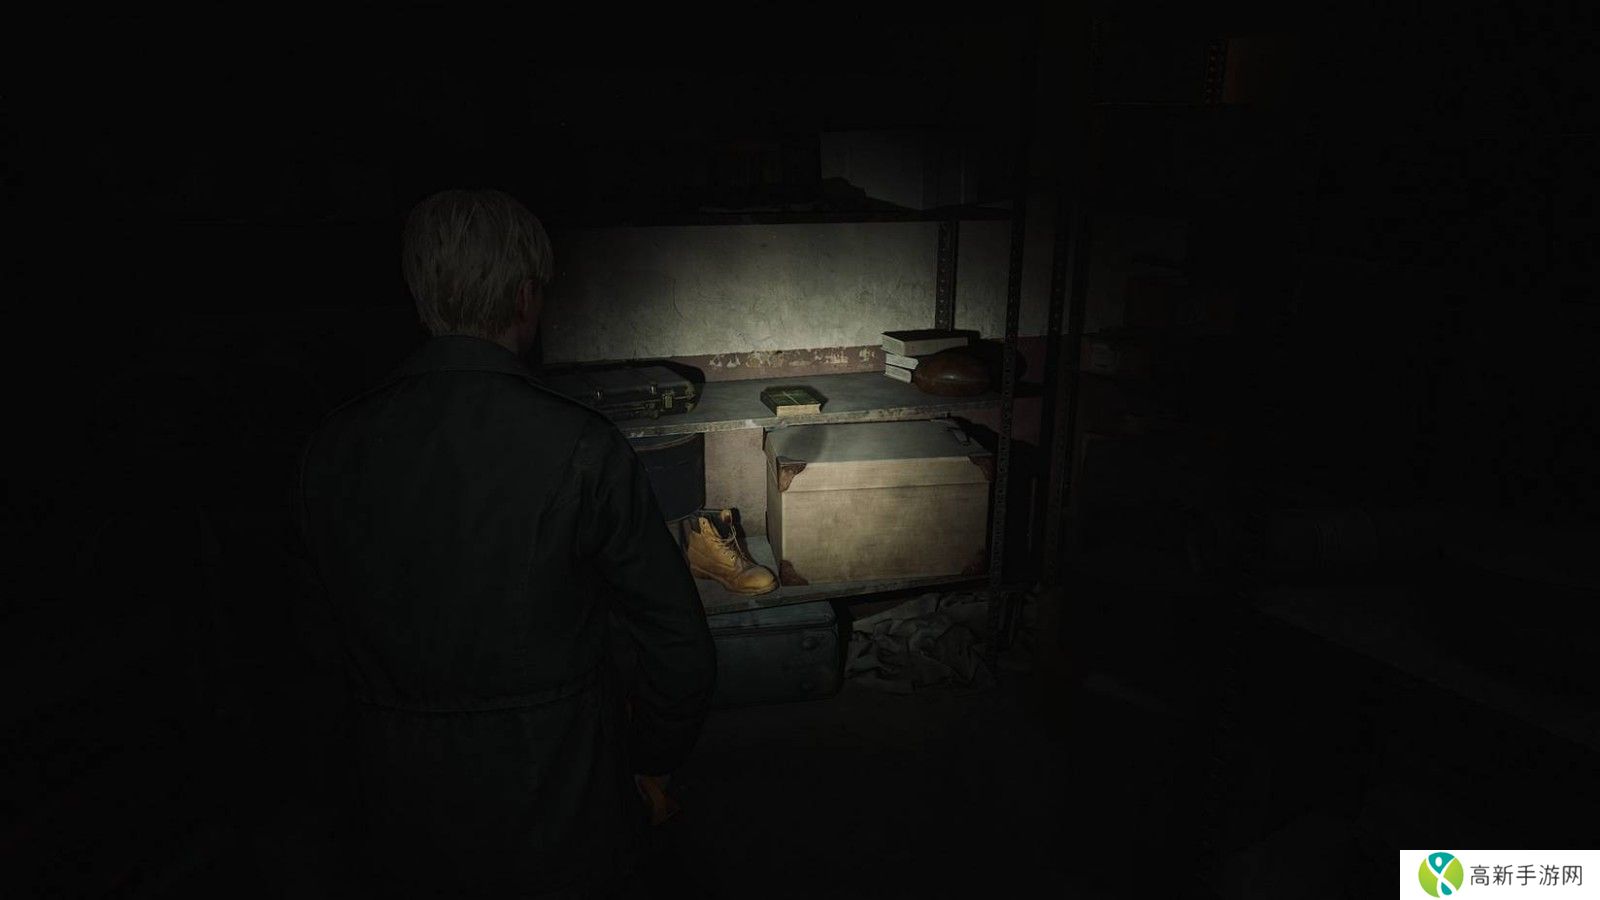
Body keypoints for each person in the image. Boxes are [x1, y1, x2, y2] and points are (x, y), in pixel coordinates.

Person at [295, 189, 717, 897]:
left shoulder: (330, 448)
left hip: (397, 811)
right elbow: (679, 644)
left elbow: (305, 656)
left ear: (420, 294)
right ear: (526, 298)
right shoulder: (581, 444)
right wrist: (647, 758)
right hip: (562, 799)